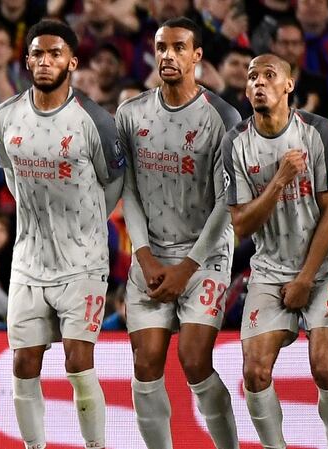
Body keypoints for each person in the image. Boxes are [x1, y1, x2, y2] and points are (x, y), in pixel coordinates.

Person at [0, 19, 124, 449]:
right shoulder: (4, 117)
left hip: (83, 261)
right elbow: (10, 175)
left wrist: (86, 224)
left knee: (77, 361)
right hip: (27, 260)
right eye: (37, 54)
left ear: (72, 61)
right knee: (24, 362)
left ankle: (96, 446)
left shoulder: (95, 121)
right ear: (27, 60)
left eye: (54, 54)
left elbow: (115, 182)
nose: (45, 62)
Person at [116, 17, 241, 449]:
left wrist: (188, 267)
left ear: (197, 56)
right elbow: (127, 189)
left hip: (204, 256)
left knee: (193, 359)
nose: (168, 55)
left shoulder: (224, 117)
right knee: (146, 362)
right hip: (151, 253)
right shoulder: (130, 114)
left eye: (178, 47)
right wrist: (144, 255)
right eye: (161, 47)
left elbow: (228, 201)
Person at [224, 53, 328, 449]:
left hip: (326, 265)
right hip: (269, 268)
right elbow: (241, 224)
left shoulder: (318, 132)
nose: (259, 82)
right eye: (252, 77)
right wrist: (278, 181)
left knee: (325, 369)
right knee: (255, 373)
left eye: (269, 75)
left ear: (289, 86)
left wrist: (305, 278)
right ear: (246, 89)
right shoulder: (236, 143)